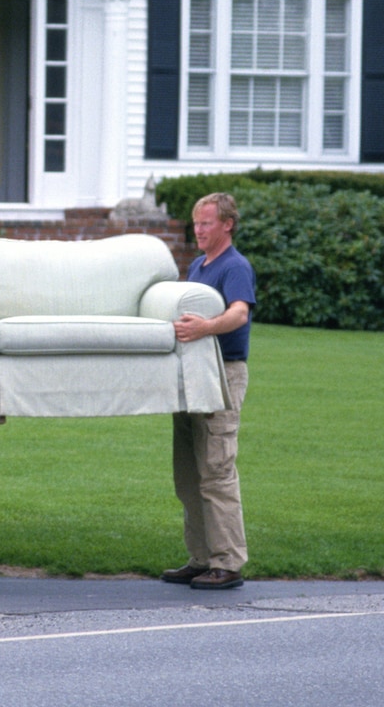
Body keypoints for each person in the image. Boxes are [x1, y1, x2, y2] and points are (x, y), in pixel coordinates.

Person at [165, 191, 257, 591]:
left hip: (223, 374)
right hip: (192, 376)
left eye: (206, 223)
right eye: (196, 223)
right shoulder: (198, 266)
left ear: (227, 224)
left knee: (217, 471)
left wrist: (205, 327)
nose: (198, 230)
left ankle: (228, 562)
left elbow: (239, 313)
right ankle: (201, 558)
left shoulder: (235, 266)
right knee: (188, 474)